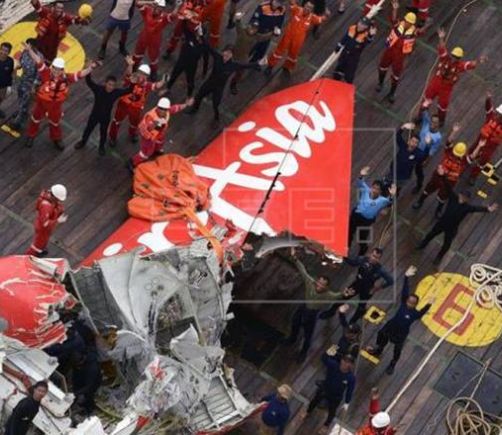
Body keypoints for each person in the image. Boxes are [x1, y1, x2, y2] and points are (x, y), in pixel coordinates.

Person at [281, 248, 350, 362]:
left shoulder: (328, 294)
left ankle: (303, 353)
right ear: (317, 281)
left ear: (326, 287)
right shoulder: (310, 283)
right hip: (303, 308)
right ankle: (292, 339)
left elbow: (338, 295)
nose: (320, 286)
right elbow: (303, 271)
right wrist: (295, 258)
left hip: (312, 314)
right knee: (295, 323)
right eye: (319, 282)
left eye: (323, 285)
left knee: (308, 335)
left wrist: (344, 294)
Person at [22, 43, 97, 149]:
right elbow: (38, 60)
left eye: (59, 69)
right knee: (35, 119)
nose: (56, 71)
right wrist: (29, 50)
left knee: (55, 122)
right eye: (55, 68)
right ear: (52, 67)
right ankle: (31, 136)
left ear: (62, 70)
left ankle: (56, 138)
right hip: (42, 103)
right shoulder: (46, 73)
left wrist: (91, 68)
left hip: (55, 106)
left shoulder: (67, 78)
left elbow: (80, 74)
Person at [366, 266, 433, 374]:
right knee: (382, 336)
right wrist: (406, 277)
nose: (409, 304)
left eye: (412, 303)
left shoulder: (415, 314)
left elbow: (422, 312)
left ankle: (392, 364)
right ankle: (378, 350)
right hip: (391, 326)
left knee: (397, 350)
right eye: (409, 301)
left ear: (415, 304)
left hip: (401, 334)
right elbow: (405, 290)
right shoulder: (403, 303)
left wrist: (429, 304)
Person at [419, 28, 485, 126]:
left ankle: (441, 121)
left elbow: (470, 64)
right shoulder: (445, 58)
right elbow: (442, 48)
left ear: (460, 58)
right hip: (436, 82)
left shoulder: (460, 66)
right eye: (453, 56)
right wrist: (441, 38)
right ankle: (420, 116)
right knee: (426, 100)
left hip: (446, 88)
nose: (454, 58)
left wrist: (479, 60)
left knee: (442, 106)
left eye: (457, 57)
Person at [417, 190, 498, 264]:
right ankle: (422, 245)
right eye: (462, 196)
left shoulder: (467, 207)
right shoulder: (453, 198)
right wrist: (443, 178)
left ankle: (439, 257)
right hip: (442, 223)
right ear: (459, 194)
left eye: (465, 198)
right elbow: (448, 186)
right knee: (431, 234)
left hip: (452, 229)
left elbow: (476, 208)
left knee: (446, 244)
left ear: (467, 200)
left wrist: (488, 209)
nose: (463, 198)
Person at [412, 139, 486, 217]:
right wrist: (454, 133)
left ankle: (438, 210)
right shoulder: (449, 151)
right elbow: (449, 141)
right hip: (437, 176)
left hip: (449, 182)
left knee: (443, 196)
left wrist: (479, 146)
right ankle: (420, 201)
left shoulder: (464, 160)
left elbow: (472, 156)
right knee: (428, 188)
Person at [186, 45, 259, 122]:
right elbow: (209, 47)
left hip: (219, 88)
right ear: (223, 52)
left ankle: (216, 117)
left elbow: (246, 65)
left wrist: (258, 63)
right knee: (199, 96)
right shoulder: (217, 57)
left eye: (229, 53)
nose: (227, 54)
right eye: (226, 52)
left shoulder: (234, 65)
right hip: (209, 83)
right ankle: (194, 110)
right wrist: (201, 38)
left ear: (232, 55)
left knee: (215, 104)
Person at [320, 248, 394, 323]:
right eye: (373, 256)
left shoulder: (380, 270)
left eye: (377, 258)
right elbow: (353, 263)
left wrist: (378, 288)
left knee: (361, 306)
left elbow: (390, 281)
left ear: (379, 259)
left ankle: (352, 322)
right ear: (370, 254)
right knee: (343, 297)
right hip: (357, 284)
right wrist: (344, 256)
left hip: (367, 289)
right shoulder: (362, 260)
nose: (374, 259)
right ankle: (331, 312)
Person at [109, 56, 166, 146]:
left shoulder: (147, 85)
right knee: (116, 121)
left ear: (147, 76)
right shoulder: (131, 79)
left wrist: (163, 81)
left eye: (144, 74)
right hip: (124, 104)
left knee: (134, 123)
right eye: (140, 72)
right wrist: (130, 65)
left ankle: (132, 134)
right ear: (138, 72)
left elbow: (156, 86)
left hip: (136, 108)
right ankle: (112, 137)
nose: (141, 75)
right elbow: (128, 74)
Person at [75, 73, 133, 155]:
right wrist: (89, 71)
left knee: (103, 133)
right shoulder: (98, 89)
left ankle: (101, 147)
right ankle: (83, 142)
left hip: (105, 118)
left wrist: (133, 83)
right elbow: (89, 82)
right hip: (94, 115)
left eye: (113, 85)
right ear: (105, 83)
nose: (111, 87)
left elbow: (129, 90)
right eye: (109, 84)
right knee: (88, 129)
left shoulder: (116, 92)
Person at [265, 0, 329, 74]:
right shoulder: (297, 9)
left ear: (312, 10)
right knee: (279, 51)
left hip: (298, 40)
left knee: (293, 54)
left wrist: (326, 15)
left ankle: (287, 67)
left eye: (310, 8)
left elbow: (321, 19)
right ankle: (270, 66)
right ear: (304, 5)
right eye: (307, 6)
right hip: (288, 36)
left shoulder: (312, 18)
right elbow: (291, 3)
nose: (307, 8)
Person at [129, 96, 192, 168]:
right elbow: (149, 128)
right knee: (146, 152)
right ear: (157, 107)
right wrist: (157, 122)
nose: (162, 111)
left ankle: (157, 149)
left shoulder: (167, 112)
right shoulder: (151, 117)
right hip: (148, 137)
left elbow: (176, 108)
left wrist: (186, 105)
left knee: (160, 141)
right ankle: (132, 162)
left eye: (165, 109)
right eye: (161, 108)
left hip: (159, 133)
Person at [376, 0, 418, 103]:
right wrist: (395, 9)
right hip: (390, 50)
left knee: (396, 75)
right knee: (382, 67)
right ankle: (380, 83)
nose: (407, 23)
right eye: (407, 21)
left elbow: (421, 32)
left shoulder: (414, 32)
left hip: (400, 56)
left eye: (410, 22)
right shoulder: (398, 24)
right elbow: (393, 19)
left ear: (412, 23)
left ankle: (392, 93)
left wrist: (426, 25)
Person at [302, 354, 356, 433]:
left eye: (348, 362)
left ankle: (326, 425)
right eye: (344, 360)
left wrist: (347, 403)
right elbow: (324, 359)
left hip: (336, 397)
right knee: (314, 401)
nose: (345, 363)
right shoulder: (333, 365)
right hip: (325, 389)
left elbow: (350, 390)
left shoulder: (351, 378)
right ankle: (308, 412)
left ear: (351, 365)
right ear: (341, 360)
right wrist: (328, 353)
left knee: (332, 412)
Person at [348, 166, 396, 256]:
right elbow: (360, 182)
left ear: (380, 191)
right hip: (356, 216)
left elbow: (390, 200)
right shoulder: (366, 190)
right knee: (349, 232)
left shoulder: (382, 200)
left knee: (362, 237)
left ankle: (363, 249)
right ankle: (347, 246)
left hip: (366, 221)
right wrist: (361, 175)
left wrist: (392, 195)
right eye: (373, 187)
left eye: (377, 189)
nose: (374, 190)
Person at [408, 108, 452, 194]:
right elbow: (423, 110)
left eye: (435, 122)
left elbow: (433, 150)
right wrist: (424, 106)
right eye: (432, 121)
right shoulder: (426, 123)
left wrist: (426, 160)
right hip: (414, 149)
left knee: (418, 171)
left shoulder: (438, 137)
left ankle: (419, 185)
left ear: (439, 124)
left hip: (422, 154)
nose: (432, 123)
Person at [133, 0, 178, 81]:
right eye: (157, 7)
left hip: (155, 40)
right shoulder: (148, 10)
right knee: (138, 52)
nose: (158, 9)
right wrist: (149, 2)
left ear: (162, 8)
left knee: (153, 56)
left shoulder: (164, 17)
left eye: (160, 8)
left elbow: (173, 16)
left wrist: (177, 6)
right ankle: (134, 66)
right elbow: (137, 3)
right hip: (144, 36)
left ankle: (153, 72)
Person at [230, 14, 276, 94]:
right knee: (225, 70)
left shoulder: (257, 37)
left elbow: (265, 37)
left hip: (243, 58)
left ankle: (233, 84)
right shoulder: (241, 30)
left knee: (240, 73)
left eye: (255, 28)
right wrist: (238, 19)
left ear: (257, 30)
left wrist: (273, 33)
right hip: (233, 54)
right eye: (251, 26)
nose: (252, 29)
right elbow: (238, 24)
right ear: (248, 25)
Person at [466, 91, 502, 183]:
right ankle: (465, 163)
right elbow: (488, 108)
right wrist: (488, 99)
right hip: (480, 140)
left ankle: (473, 176)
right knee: (471, 151)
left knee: (483, 161)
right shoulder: (492, 116)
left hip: (490, 147)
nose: (499, 115)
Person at [9, 39, 43, 131]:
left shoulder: (39, 57)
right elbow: (21, 62)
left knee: (26, 102)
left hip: (31, 83)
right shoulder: (25, 52)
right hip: (23, 79)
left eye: (29, 46)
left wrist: (34, 87)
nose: (27, 47)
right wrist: (17, 67)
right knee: (20, 97)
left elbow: (39, 74)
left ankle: (18, 122)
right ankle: (21, 112)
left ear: (34, 47)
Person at [166, 20, 205, 98]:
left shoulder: (203, 45)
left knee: (190, 82)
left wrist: (204, 70)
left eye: (198, 32)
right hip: (181, 61)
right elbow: (184, 27)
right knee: (174, 74)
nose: (196, 33)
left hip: (191, 66)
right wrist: (185, 18)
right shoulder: (190, 36)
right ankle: (168, 88)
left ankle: (189, 96)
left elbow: (206, 59)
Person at [26, 184, 67, 257]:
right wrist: (58, 221)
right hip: (42, 230)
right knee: (37, 246)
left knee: (42, 243)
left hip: (45, 228)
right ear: (54, 197)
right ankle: (28, 257)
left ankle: (39, 251)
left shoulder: (51, 201)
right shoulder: (46, 206)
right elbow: (45, 224)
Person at [332, 17, 376, 84]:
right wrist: (339, 46)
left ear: (366, 27)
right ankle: (335, 82)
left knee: (349, 74)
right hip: (344, 53)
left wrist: (371, 35)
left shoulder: (366, 35)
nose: (360, 25)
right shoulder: (352, 28)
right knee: (339, 69)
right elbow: (345, 38)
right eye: (360, 22)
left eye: (363, 24)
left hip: (353, 57)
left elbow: (368, 41)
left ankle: (347, 85)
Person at [383, 125, 423, 192]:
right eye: (412, 141)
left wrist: (428, 146)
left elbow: (423, 155)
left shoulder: (418, 153)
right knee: (385, 185)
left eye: (416, 143)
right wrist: (403, 127)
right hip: (393, 172)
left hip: (403, 177)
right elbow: (397, 136)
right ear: (409, 141)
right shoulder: (403, 146)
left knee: (397, 189)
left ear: (417, 145)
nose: (413, 143)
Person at [71, 350, 102, 415]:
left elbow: (89, 386)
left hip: (93, 382)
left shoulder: (92, 369)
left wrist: (75, 394)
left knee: (89, 395)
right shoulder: (81, 358)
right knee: (77, 387)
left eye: (79, 365)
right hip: (82, 375)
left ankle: (89, 409)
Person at [0, 42, 14, 119]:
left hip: (3, 86)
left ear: (9, 52)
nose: (3, 52)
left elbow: (10, 73)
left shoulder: (10, 61)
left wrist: (9, 85)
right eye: (2, 50)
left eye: (6, 51)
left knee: (1, 98)